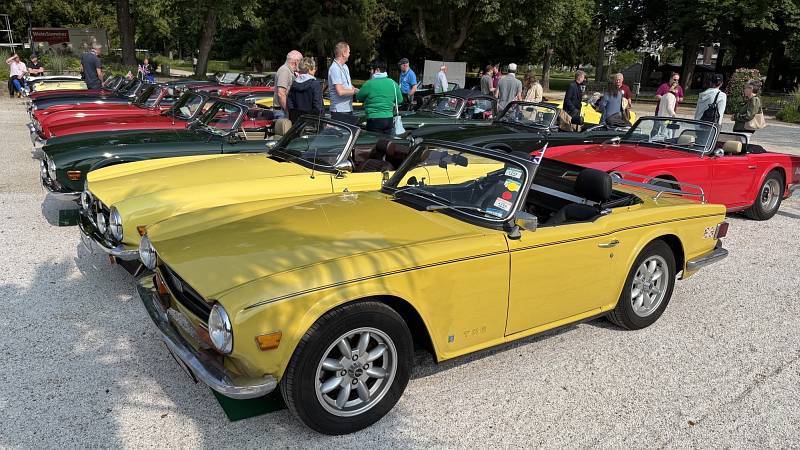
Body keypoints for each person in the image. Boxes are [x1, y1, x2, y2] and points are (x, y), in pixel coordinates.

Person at [356, 60, 403, 135]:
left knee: (374, 141)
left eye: (372, 69)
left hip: (374, 118)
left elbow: (359, 97)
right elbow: (400, 100)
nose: (371, 71)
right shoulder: (393, 83)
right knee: (386, 141)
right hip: (389, 118)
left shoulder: (369, 83)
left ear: (377, 69)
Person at [328, 41, 358, 124]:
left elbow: (349, 85)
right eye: (349, 52)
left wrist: (359, 91)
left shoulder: (345, 66)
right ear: (344, 53)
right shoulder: (335, 68)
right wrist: (355, 91)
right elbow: (340, 91)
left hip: (348, 108)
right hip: (339, 110)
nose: (349, 54)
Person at [287, 57, 323, 124]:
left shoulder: (294, 83)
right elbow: (318, 106)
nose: (315, 70)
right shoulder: (315, 84)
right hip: (312, 122)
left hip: (296, 122)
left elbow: (290, 103)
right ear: (309, 69)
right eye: (314, 68)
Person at [273, 50, 303, 119]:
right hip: (283, 112)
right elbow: (281, 93)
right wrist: (288, 110)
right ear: (296, 62)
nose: (302, 65)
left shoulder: (289, 71)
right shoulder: (285, 71)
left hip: (283, 111)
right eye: (301, 62)